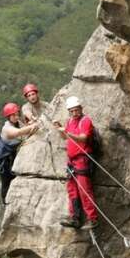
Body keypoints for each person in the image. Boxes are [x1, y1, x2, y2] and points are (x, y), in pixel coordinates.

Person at [54, 96, 99, 230]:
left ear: (81, 109)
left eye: (76, 110)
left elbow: (83, 139)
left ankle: (93, 219)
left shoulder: (85, 121)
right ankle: (75, 218)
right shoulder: (70, 121)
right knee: (72, 190)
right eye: (72, 111)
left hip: (83, 159)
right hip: (72, 161)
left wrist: (67, 132)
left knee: (84, 190)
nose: (74, 113)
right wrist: (60, 129)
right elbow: (64, 137)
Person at [0, 103, 38, 204]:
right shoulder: (6, 128)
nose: (16, 116)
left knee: (14, 177)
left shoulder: (17, 122)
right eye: (13, 115)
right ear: (8, 116)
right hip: (5, 160)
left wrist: (30, 124)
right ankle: (6, 202)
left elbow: (24, 130)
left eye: (17, 114)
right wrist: (34, 125)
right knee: (7, 181)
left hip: (13, 155)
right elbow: (18, 133)